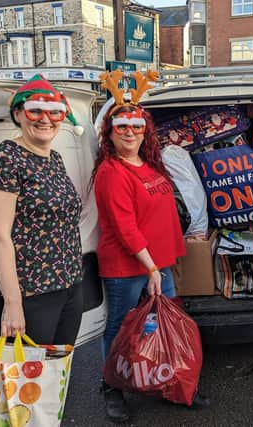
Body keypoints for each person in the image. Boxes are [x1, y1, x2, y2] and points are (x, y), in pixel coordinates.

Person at [92, 71, 208, 423]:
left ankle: (168, 379)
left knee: (166, 321)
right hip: (128, 267)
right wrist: (151, 268)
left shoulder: (148, 164)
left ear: (146, 130)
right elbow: (125, 228)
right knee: (120, 327)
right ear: (110, 132)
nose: (130, 132)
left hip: (157, 264)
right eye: (122, 126)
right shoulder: (112, 172)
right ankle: (112, 385)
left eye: (136, 126)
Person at [0, 74, 85, 345]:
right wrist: (13, 304)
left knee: (59, 374)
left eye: (54, 112)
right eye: (35, 110)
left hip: (69, 284)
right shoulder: (4, 157)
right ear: (18, 114)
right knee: (27, 381)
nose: (45, 119)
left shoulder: (55, 159)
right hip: (31, 294)